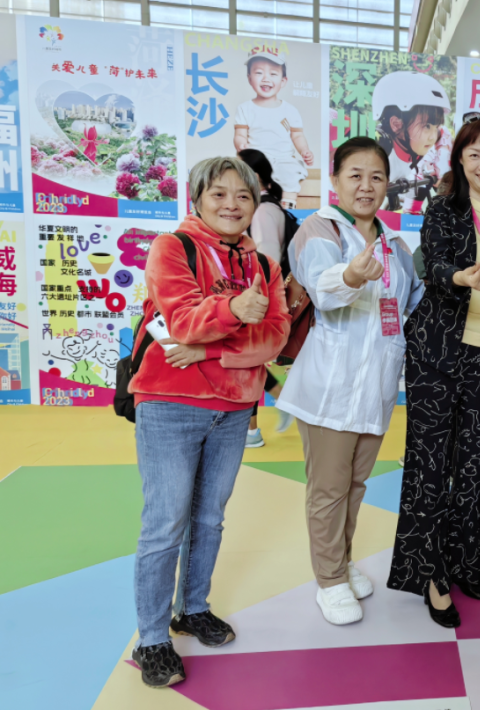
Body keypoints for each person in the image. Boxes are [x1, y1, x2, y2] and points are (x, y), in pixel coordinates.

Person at [127, 156, 289, 687]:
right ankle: (153, 638)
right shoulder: (173, 248)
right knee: (164, 523)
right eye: (218, 193)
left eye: (243, 196)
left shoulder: (263, 265)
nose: (231, 205)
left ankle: (192, 608)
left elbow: (275, 338)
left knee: (210, 519)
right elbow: (181, 321)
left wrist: (209, 350)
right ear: (197, 198)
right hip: (170, 403)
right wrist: (233, 313)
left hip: (235, 410)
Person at [388, 115, 480, 628]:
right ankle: (431, 576)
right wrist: (460, 277)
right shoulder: (444, 209)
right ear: (459, 160)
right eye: (474, 154)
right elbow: (432, 266)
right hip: (437, 355)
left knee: (471, 468)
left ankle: (464, 562)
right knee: (430, 468)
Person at [275, 137, 424, 625]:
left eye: (376, 177)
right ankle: (329, 580)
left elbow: (413, 306)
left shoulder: (396, 245)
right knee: (328, 489)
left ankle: (341, 562)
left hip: (376, 388)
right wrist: (353, 276)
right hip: (329, 387)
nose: (366, 186)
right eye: (355, 175)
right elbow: (323, 290)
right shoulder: (319, 230)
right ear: (336, 180)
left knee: (356, 485)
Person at [238, 148, 296, 447]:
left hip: (257, 300)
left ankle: (251, 431)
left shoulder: (262, 210)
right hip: (256, 299)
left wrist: (255, 300)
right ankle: (281, 400)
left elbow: (267, 259)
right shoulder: (266, 207)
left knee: (244, 361)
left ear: (255, 175)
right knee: (248, 361)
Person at [233, 46, 313, 209]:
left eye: (273, 74)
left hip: (284, 158)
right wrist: (241, 144)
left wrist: (304, 150)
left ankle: (287, 208)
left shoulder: (290, 110)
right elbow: (240, 134)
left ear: (283, 81)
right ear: (249, 78)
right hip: (257, 159)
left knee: (291, 174)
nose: (265, 78)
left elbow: (297, 136)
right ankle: (258, 208)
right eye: (259, 73)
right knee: (245, 176)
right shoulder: (245, 108)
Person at [373, 71, 452, 215]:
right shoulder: (381, 149)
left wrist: (442, 170)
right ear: (396, 124)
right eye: (426, 126)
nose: (432, 137)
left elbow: (444, 132)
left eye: (435, 127)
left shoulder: (423, 143)